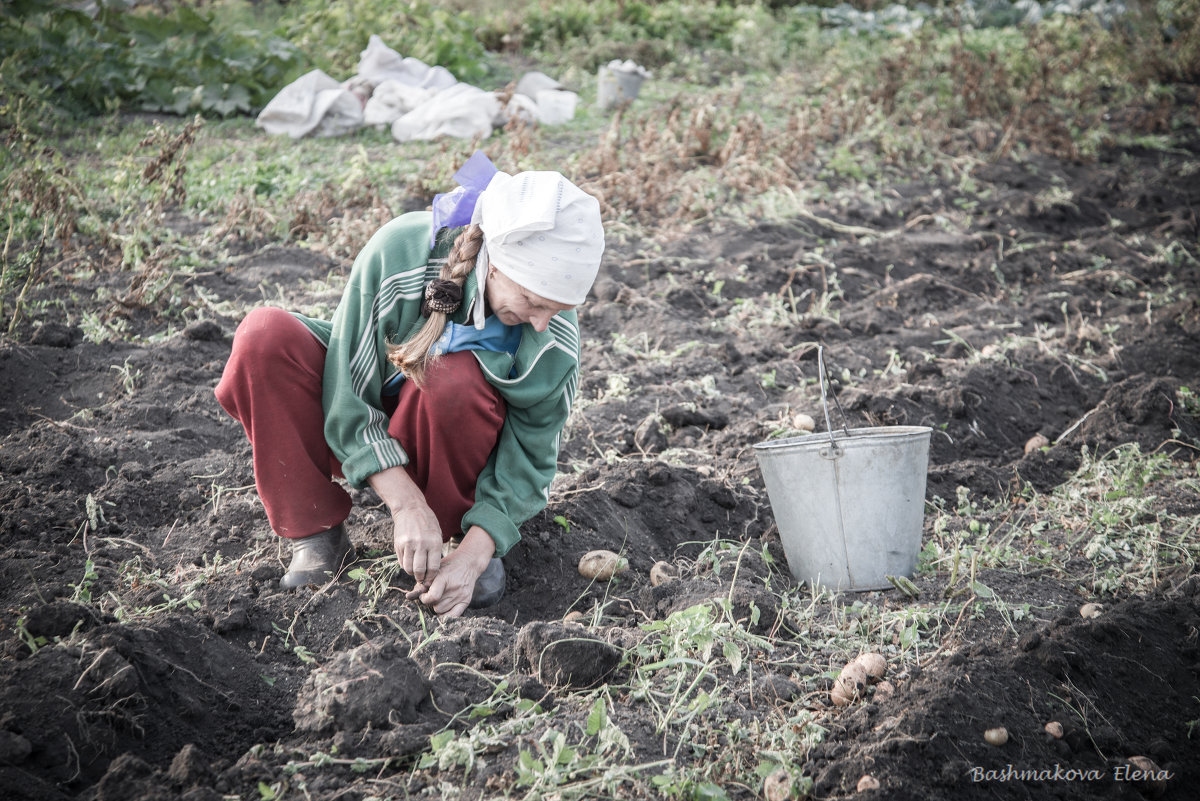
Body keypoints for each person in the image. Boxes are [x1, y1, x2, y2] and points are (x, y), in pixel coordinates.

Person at [215, 154, 605, 619]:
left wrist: (477, 551)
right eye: (532, 303)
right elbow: (347, 393)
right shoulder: (402, 251)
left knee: (451, 379)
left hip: (453, 436)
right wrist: (404, 505)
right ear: (497, 264)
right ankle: (316, 533)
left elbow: (530, 459)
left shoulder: (552, 339)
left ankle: (449, 536)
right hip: (369, 417)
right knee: (264, 338)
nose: (543, 323)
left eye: (558, 309)